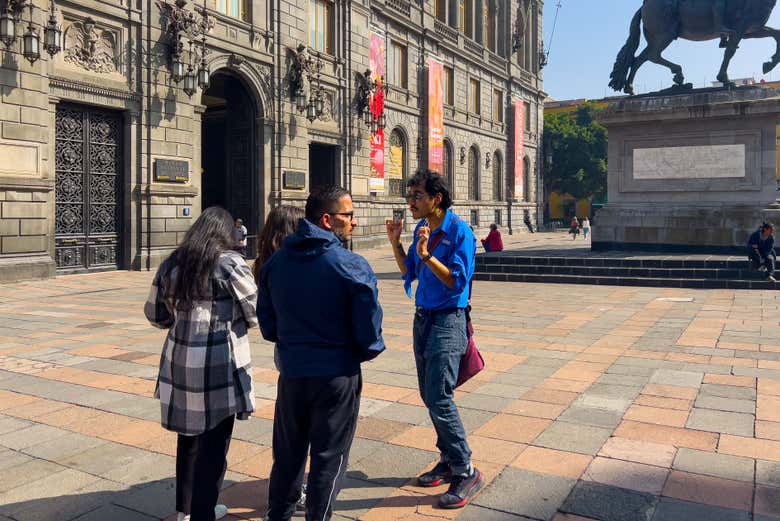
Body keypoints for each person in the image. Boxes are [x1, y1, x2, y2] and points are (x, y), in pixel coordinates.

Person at [258, 186, 385, 521]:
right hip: (336, 374)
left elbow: (268, 326)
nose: (354, 222)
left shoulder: (276, 262)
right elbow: (370, 334)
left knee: (288, 454)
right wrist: (357, 352)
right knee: (330, 456)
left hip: (293, 373)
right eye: (348, 215)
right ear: (327, 220)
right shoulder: (351, 265)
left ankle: (279, 516)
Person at [144, 207, 258, 521]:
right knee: (215, 444)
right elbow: (255, 311)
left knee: (188, 439)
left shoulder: (172, 263)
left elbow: (156, 315)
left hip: (179, 363)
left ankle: (185, 510)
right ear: (225, 233)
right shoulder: (231, 264)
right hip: (219, 364)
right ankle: (204, 512)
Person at [385, 170, 483, 509]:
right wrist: (397, 242)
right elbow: (408, 271)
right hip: (423, 319)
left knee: (439, 397)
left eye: (416, 196)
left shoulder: (460, 232)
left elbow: (457, 282)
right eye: (409, 195)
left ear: (435, 198)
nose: (410, 202)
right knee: (429, 395)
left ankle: (465, 468)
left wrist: (428, 254)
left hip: (447, 321)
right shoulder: (421, 230)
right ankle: (447, 457)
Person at [251, 205, 307, 515]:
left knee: (290, 424)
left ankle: (288, 486)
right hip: (302, 349)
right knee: (299, 429)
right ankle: (291, 490)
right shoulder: (289, 263)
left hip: (284, 348)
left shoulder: (264, 262)